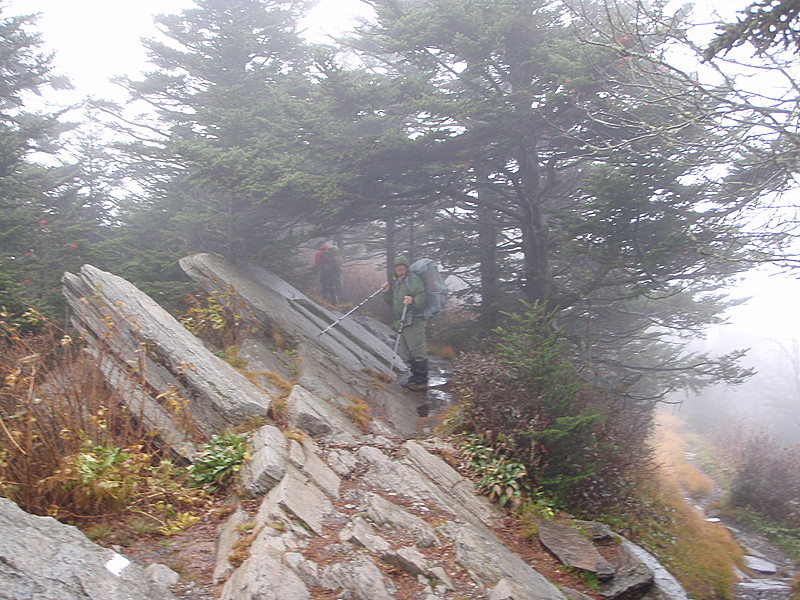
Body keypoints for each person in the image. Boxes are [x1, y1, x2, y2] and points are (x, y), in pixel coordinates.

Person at [382, 255, 428, 391]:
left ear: (406, 267)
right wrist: (386, 293)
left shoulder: (413, 279)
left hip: (414, 321)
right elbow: (392, 302)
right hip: (402, 321)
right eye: (397, 266)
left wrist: (413, 301)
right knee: (408, 351)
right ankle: (414, 379)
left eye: (402, 265)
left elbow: (421, 296)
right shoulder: (398, 282)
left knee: (417, 350)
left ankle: (421, 381)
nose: (399, 268)